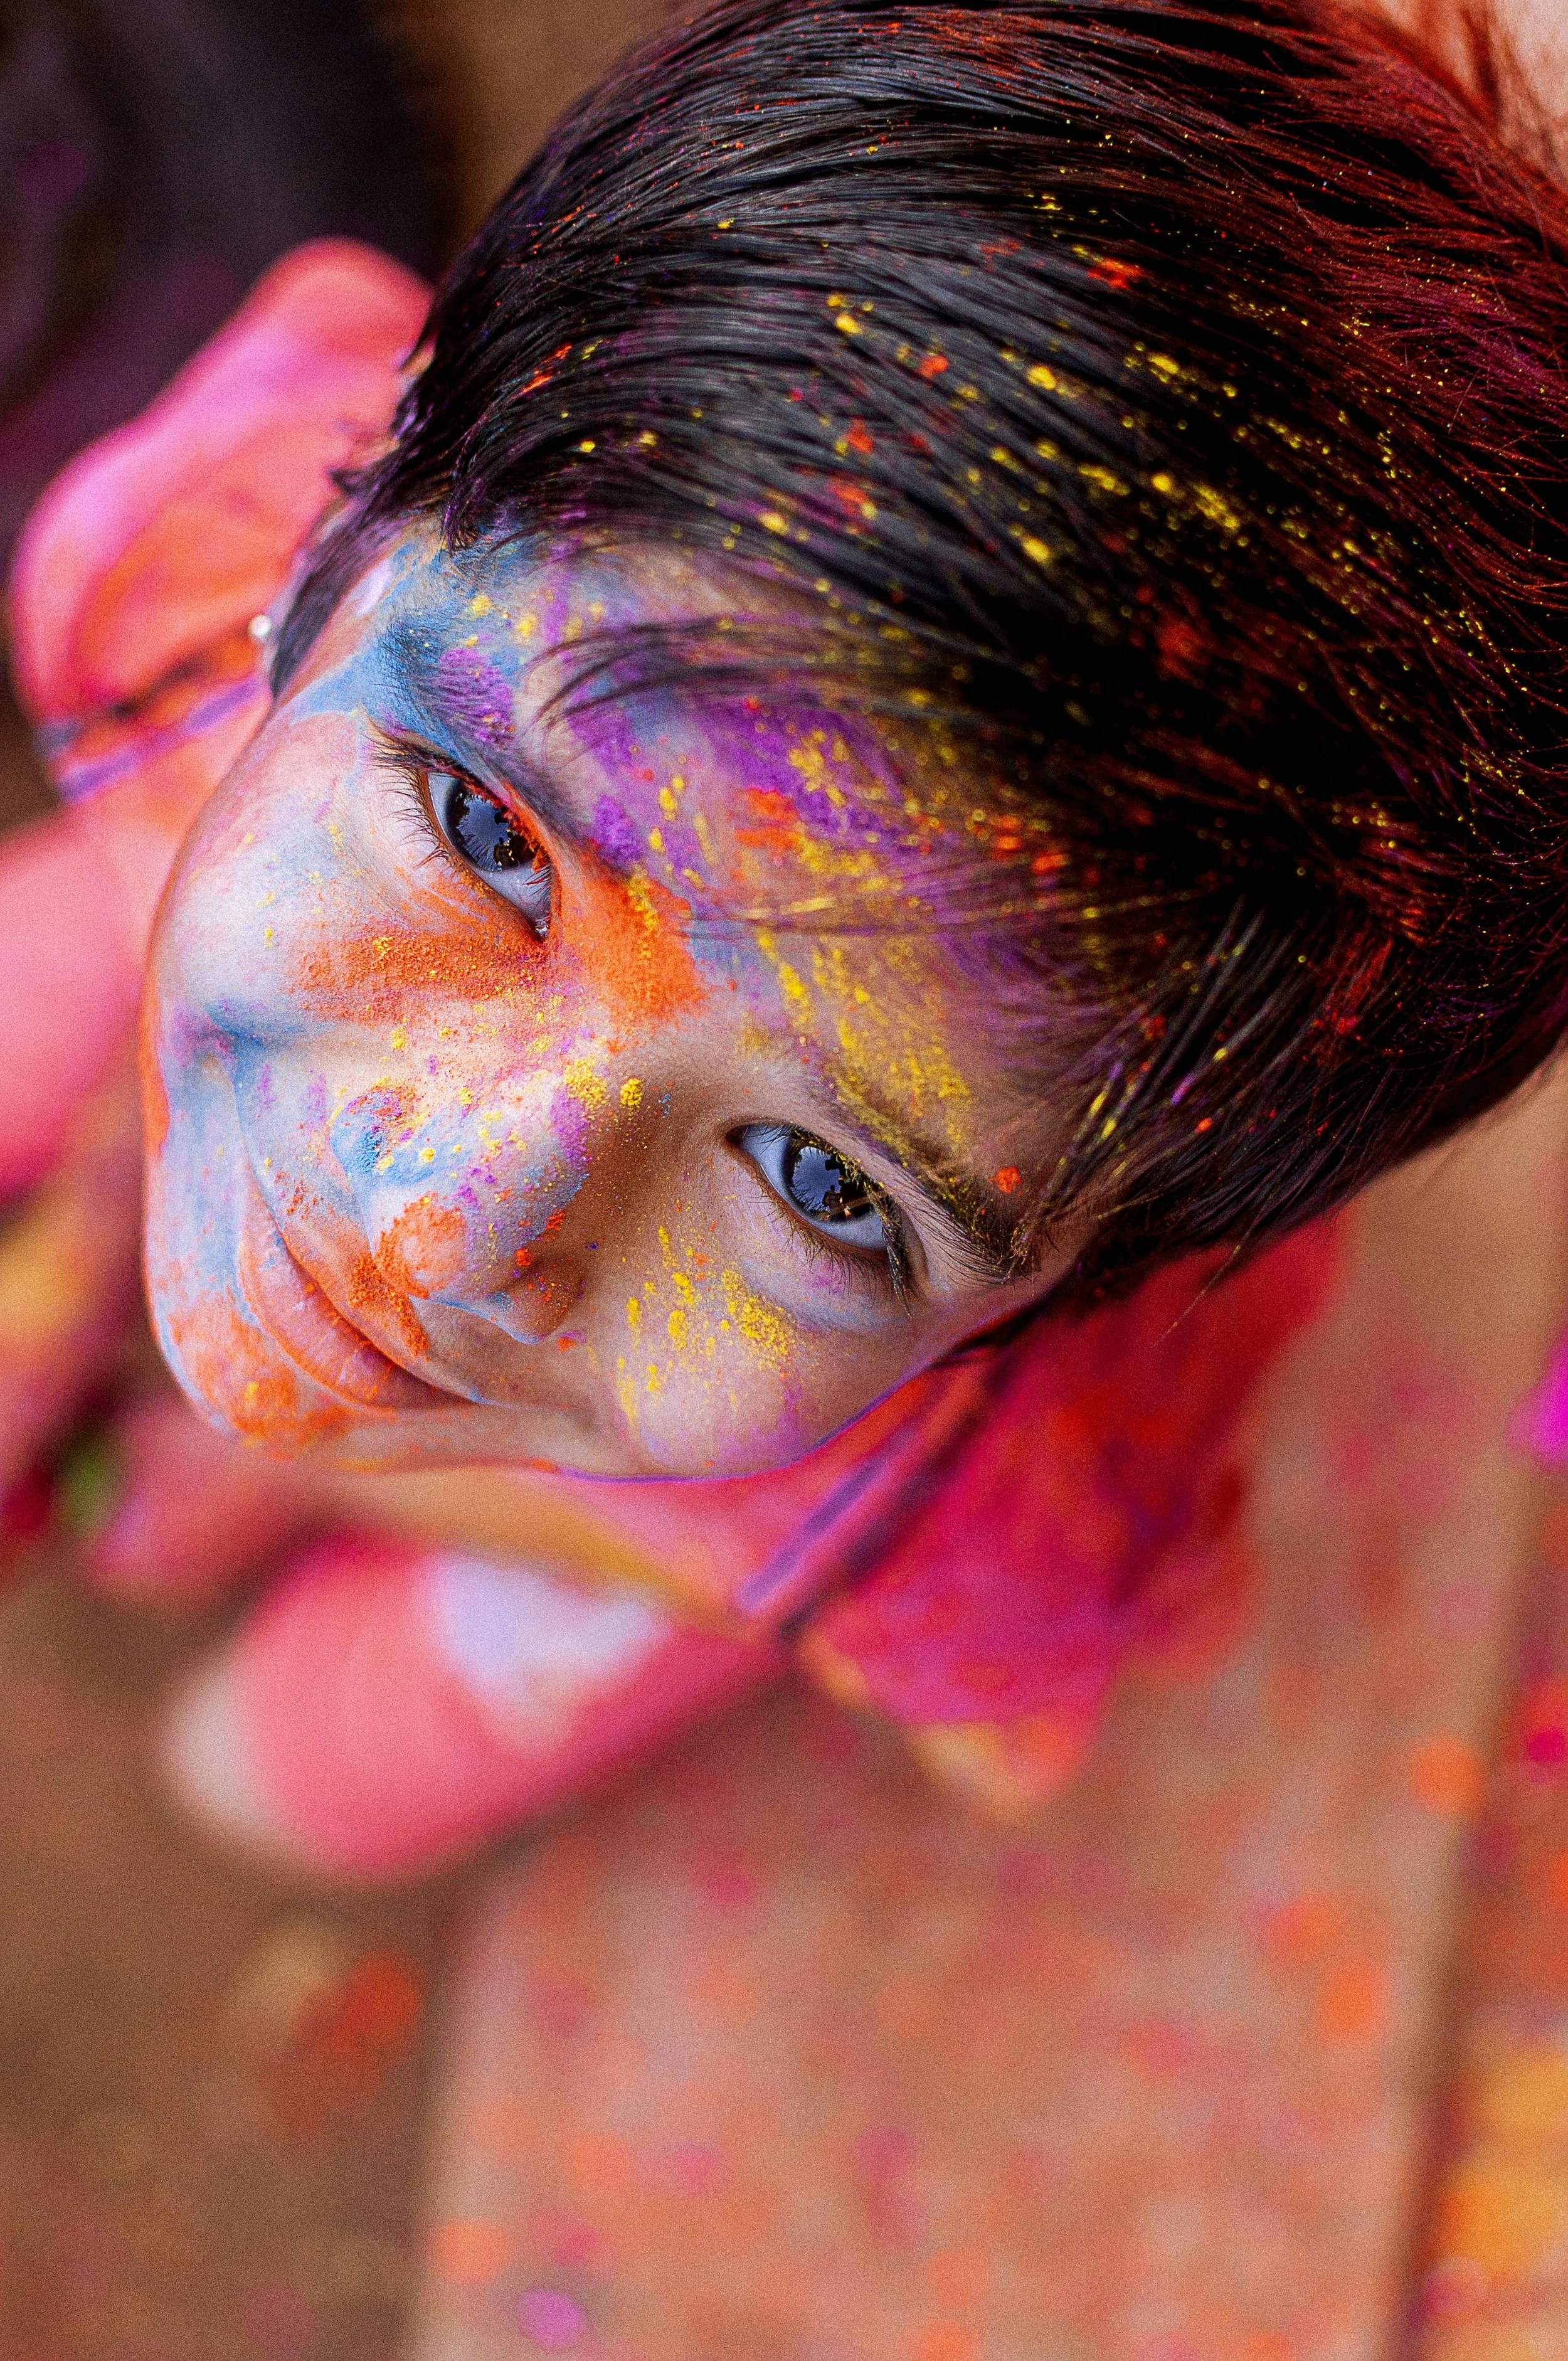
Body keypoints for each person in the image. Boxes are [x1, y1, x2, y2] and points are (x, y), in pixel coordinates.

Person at [3, 0, 1565, 1879]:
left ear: (1071, 1297)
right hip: (220, 793)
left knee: (271, 1783)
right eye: (483, 834)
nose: (447, 1227)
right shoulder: (178, 561)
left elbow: (985, 1721)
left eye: (824, 1187)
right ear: (347, 543)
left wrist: (358, 1469)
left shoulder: (990, 1511)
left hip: (741, 1527)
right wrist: (96, 1244)